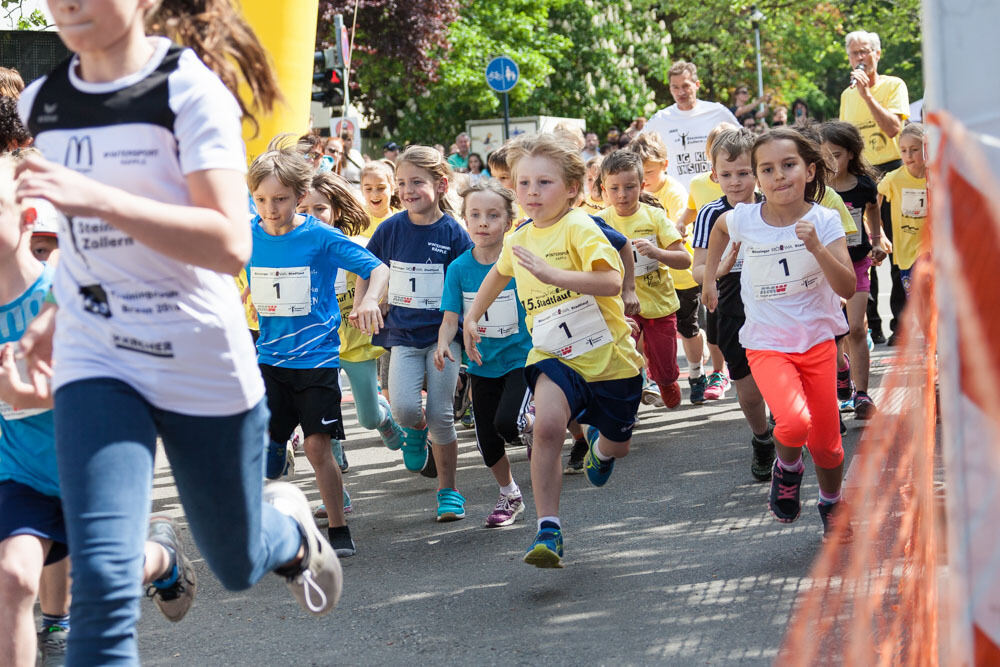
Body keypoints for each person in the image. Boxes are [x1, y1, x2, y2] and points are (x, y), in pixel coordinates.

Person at [14, 1, 345, 661]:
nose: (67, 4)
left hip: (194, 352)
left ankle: (291, 535)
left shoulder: (186, 88)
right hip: (97, 352)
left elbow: (228, 243)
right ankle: (156, 559)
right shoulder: (41, 102)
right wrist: (51, 317)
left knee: (237, 559)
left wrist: (97, 197)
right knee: (102, 577)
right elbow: (84, 245)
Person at [464, 134, 644, 568]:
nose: (531, 192)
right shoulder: (517, 238)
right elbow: (498, 275)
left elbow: (608, 283)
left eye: (543, 183)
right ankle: (549, 529)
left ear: (572, 189)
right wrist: (473, 316)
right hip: (553, 355)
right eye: (523, 184)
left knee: (616, 447)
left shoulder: (580, 227)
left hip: (610, 360)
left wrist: (553, 273)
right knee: (544, 427)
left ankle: (600, 453)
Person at [702, 128, 856, 540]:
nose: (778, 176)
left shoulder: (823, 220)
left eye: (788, 166)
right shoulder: (745, 218)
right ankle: (787, 468)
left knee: (827, 445)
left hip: (819, 342)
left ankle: (831, 502)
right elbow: (719, 229)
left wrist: (818, 250)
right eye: (766, 169)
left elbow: (846, 287)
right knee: (792, 420)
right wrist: (711, 279)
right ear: (756, 177)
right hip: (767, 342)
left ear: (808, 170)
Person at [361, 146, 473, 520]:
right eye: (403, 183)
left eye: (417, 183)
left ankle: (448, 490)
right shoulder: (390, 228)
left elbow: (468, 279)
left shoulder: (454, 233)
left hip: (444, 337)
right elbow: (369, 268)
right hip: (402, 335)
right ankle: (414, 428)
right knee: (405, 408)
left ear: (441, 185)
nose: (407, 190)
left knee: (442, 415)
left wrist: (469, 326)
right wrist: (368, 302)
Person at [434, 180, 532, 527]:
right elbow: (450, 320)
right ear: (464, 219)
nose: (483, 222)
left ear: (509, 221)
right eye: (474, 215)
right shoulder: (459, 269)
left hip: (522, 357)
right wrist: (445, 343)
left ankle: (533, 419)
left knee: (508, 423)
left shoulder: (519, 260)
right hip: (481, 363)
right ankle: (510, 494)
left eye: (492, 215)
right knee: (488, 442)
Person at [691, 128, 775, 481]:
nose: (736, 182)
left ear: (758, 171)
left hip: (775, 303)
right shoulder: (710, 214)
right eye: (726, 175)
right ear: (714, 176)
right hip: (730, 307)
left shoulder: (773, 206)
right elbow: (697, 268)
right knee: (751, 391)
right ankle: (762, 438)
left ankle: (786, 430)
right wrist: (716, 271)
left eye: (743, 173)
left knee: (780, 379)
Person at [627, 131, 723, 404]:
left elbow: (677, 230)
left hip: (680, 277)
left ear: (665, 166)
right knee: (643, 332)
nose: (645, 179)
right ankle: (652, 376)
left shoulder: (674, 193)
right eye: (639, 172)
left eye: (650, 171)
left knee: (687, 327)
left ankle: (696, 374)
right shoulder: (634, 195)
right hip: (648, 281)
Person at [598, 150, 690, 409]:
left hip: (659, 304)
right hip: (620, 306)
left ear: (642, 185)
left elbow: (684, 259)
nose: (622, 195)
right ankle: (632, 396)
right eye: (614, 188)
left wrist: (657, 252)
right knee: (624, 356)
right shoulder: (600, 222)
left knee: (665, 368)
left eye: (629, 187)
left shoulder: (654, 217)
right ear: (604, 189)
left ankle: (665, 381)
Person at [839, 30, 910, 345]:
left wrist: (868, 95)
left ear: (877, 55)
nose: (860, 58)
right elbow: (845, 141)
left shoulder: (894, 85)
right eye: (855, 53)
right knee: (860, 251)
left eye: (865, 52)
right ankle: (870, 326)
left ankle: (901, 326)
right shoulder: (846, 95)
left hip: (894, 170)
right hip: (861, 177)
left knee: (897, 251)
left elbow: (894, 128)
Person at [820, 121, 886, 420]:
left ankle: (861, 394)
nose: (831, 162)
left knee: (856, 328)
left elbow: (873, 208)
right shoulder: (815, 188)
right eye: (825, 155)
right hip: (825, 268)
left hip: (858, 262)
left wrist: (875, 239)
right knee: (833, 333)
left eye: (837, 154)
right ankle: (841, 370)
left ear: (851, 154)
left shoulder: (863, 185)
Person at [642, 60, 740, 189]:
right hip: (679, 198)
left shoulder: (717, 112)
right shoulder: (661, 118)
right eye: (675, 87)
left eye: (685, 86)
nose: (680, 92)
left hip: (715, 193)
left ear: (697, 85)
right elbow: (634, 148)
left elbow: (745, 143)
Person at [877, 123, 927, 299]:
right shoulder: (894, 178)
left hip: (930, 248)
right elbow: (876, 196)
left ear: (926, 147)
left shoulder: (934, 175)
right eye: (903, 150)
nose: (908, 156)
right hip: (905, 251)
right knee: (916, 305)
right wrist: (879, 230)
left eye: (914, 149)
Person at [359, 160, 399, 240]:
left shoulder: (401, 220)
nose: (375, 194)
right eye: (368, 189)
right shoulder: (355, 217)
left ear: (392, 188)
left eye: (381, 188)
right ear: (362, 190)